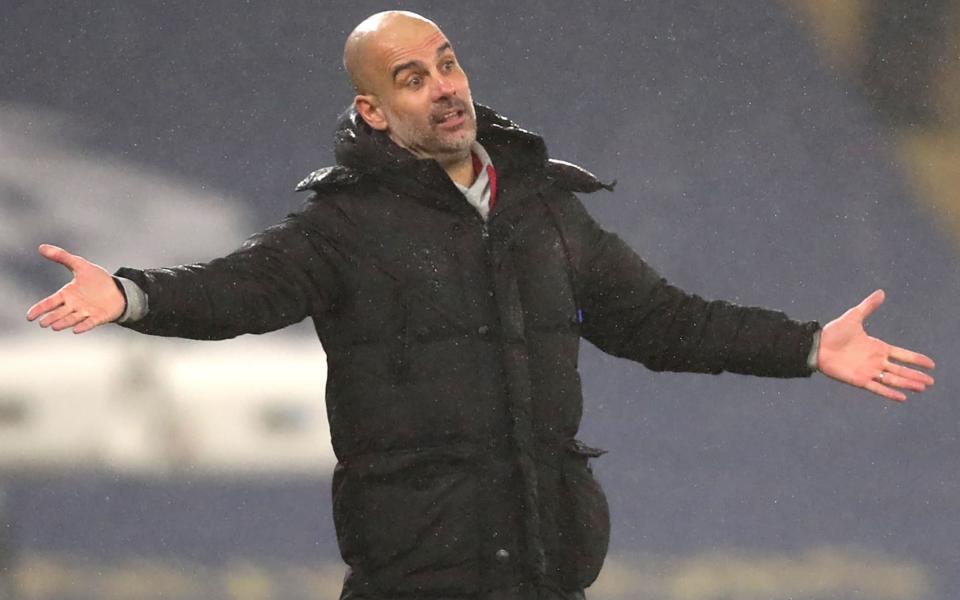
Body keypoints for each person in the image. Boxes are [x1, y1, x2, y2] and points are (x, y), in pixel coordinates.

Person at [26, 10, 935, 600]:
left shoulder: (544, 209)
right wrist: (131, 294)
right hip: (416, 576)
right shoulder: (342, 230)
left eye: (447, 63)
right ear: (374, 111)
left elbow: (661, 321)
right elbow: (238, 290)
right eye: (412, 78)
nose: (445, 85)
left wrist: (809, 347)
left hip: (547, 566)